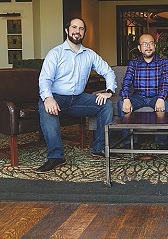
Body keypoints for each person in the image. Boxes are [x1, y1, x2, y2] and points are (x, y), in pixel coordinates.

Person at [36, 17, 116, 171]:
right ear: (67, 30)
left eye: (81, 28)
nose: (77, 31)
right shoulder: (55, 53)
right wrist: (48, 98)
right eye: (74, 27)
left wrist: (109, 91)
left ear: (84, 32)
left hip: (79, 99)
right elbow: (44, 78)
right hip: (57, 97)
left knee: (106, 104)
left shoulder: (90, 54)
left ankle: (99, 148)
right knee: (45, 108)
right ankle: (56, 156)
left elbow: (108, 71)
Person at [119, 33, 168, 148]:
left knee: (166, 104)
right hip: (139, 97)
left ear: (155, 46)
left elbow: (166, 82)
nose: (148, 46)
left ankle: (161, 142)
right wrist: (126, 98)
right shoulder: (134, 63)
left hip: (156, 96)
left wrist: (161, 98)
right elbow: (126, 82)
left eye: (151, 43)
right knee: (120, 103)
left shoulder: (163, 62)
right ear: (139, 47)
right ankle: (130, 142)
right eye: (144, 44)